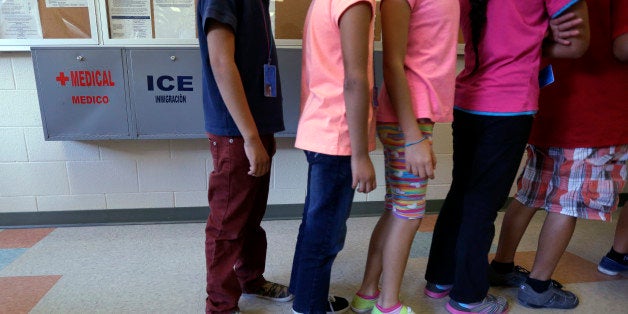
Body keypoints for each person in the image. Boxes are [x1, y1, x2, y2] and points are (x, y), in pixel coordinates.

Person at [423, 0, 590, 313]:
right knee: (481, 203)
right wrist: (534, 44)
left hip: (468, 99)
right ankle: (468, 299)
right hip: (509, 105)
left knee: (461, 194)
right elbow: (576, 46)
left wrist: (528, 41)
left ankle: (440, 281)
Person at [489, 0, 628, 309]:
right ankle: (538, 286)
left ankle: (501, 266)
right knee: (568, 202)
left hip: (549, 97)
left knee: (529, 194)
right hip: (596, 109)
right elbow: (623, 47)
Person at [350, 0, 459, 313]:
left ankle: (368, 294)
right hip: (407, 117)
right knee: (409, 214)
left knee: (398, 209)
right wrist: (413, 137)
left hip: (416, 115)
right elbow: (392, 63)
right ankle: (388, 305)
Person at [197, 0, 294, 313]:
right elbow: (221, 61)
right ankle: (220, 305)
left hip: (255, 128)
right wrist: (250, 138)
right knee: (227, 224)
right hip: (237, 132)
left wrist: (257, 135)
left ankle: (250, 279)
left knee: (250, 217)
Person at [288, 1, 378, 313]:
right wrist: (360, 154)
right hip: (338, 133)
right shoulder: (354, 3)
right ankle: (310, 305)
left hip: (321, 125)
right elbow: (354, 79)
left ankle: (303, 292)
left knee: (314, 221)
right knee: (326, 230)